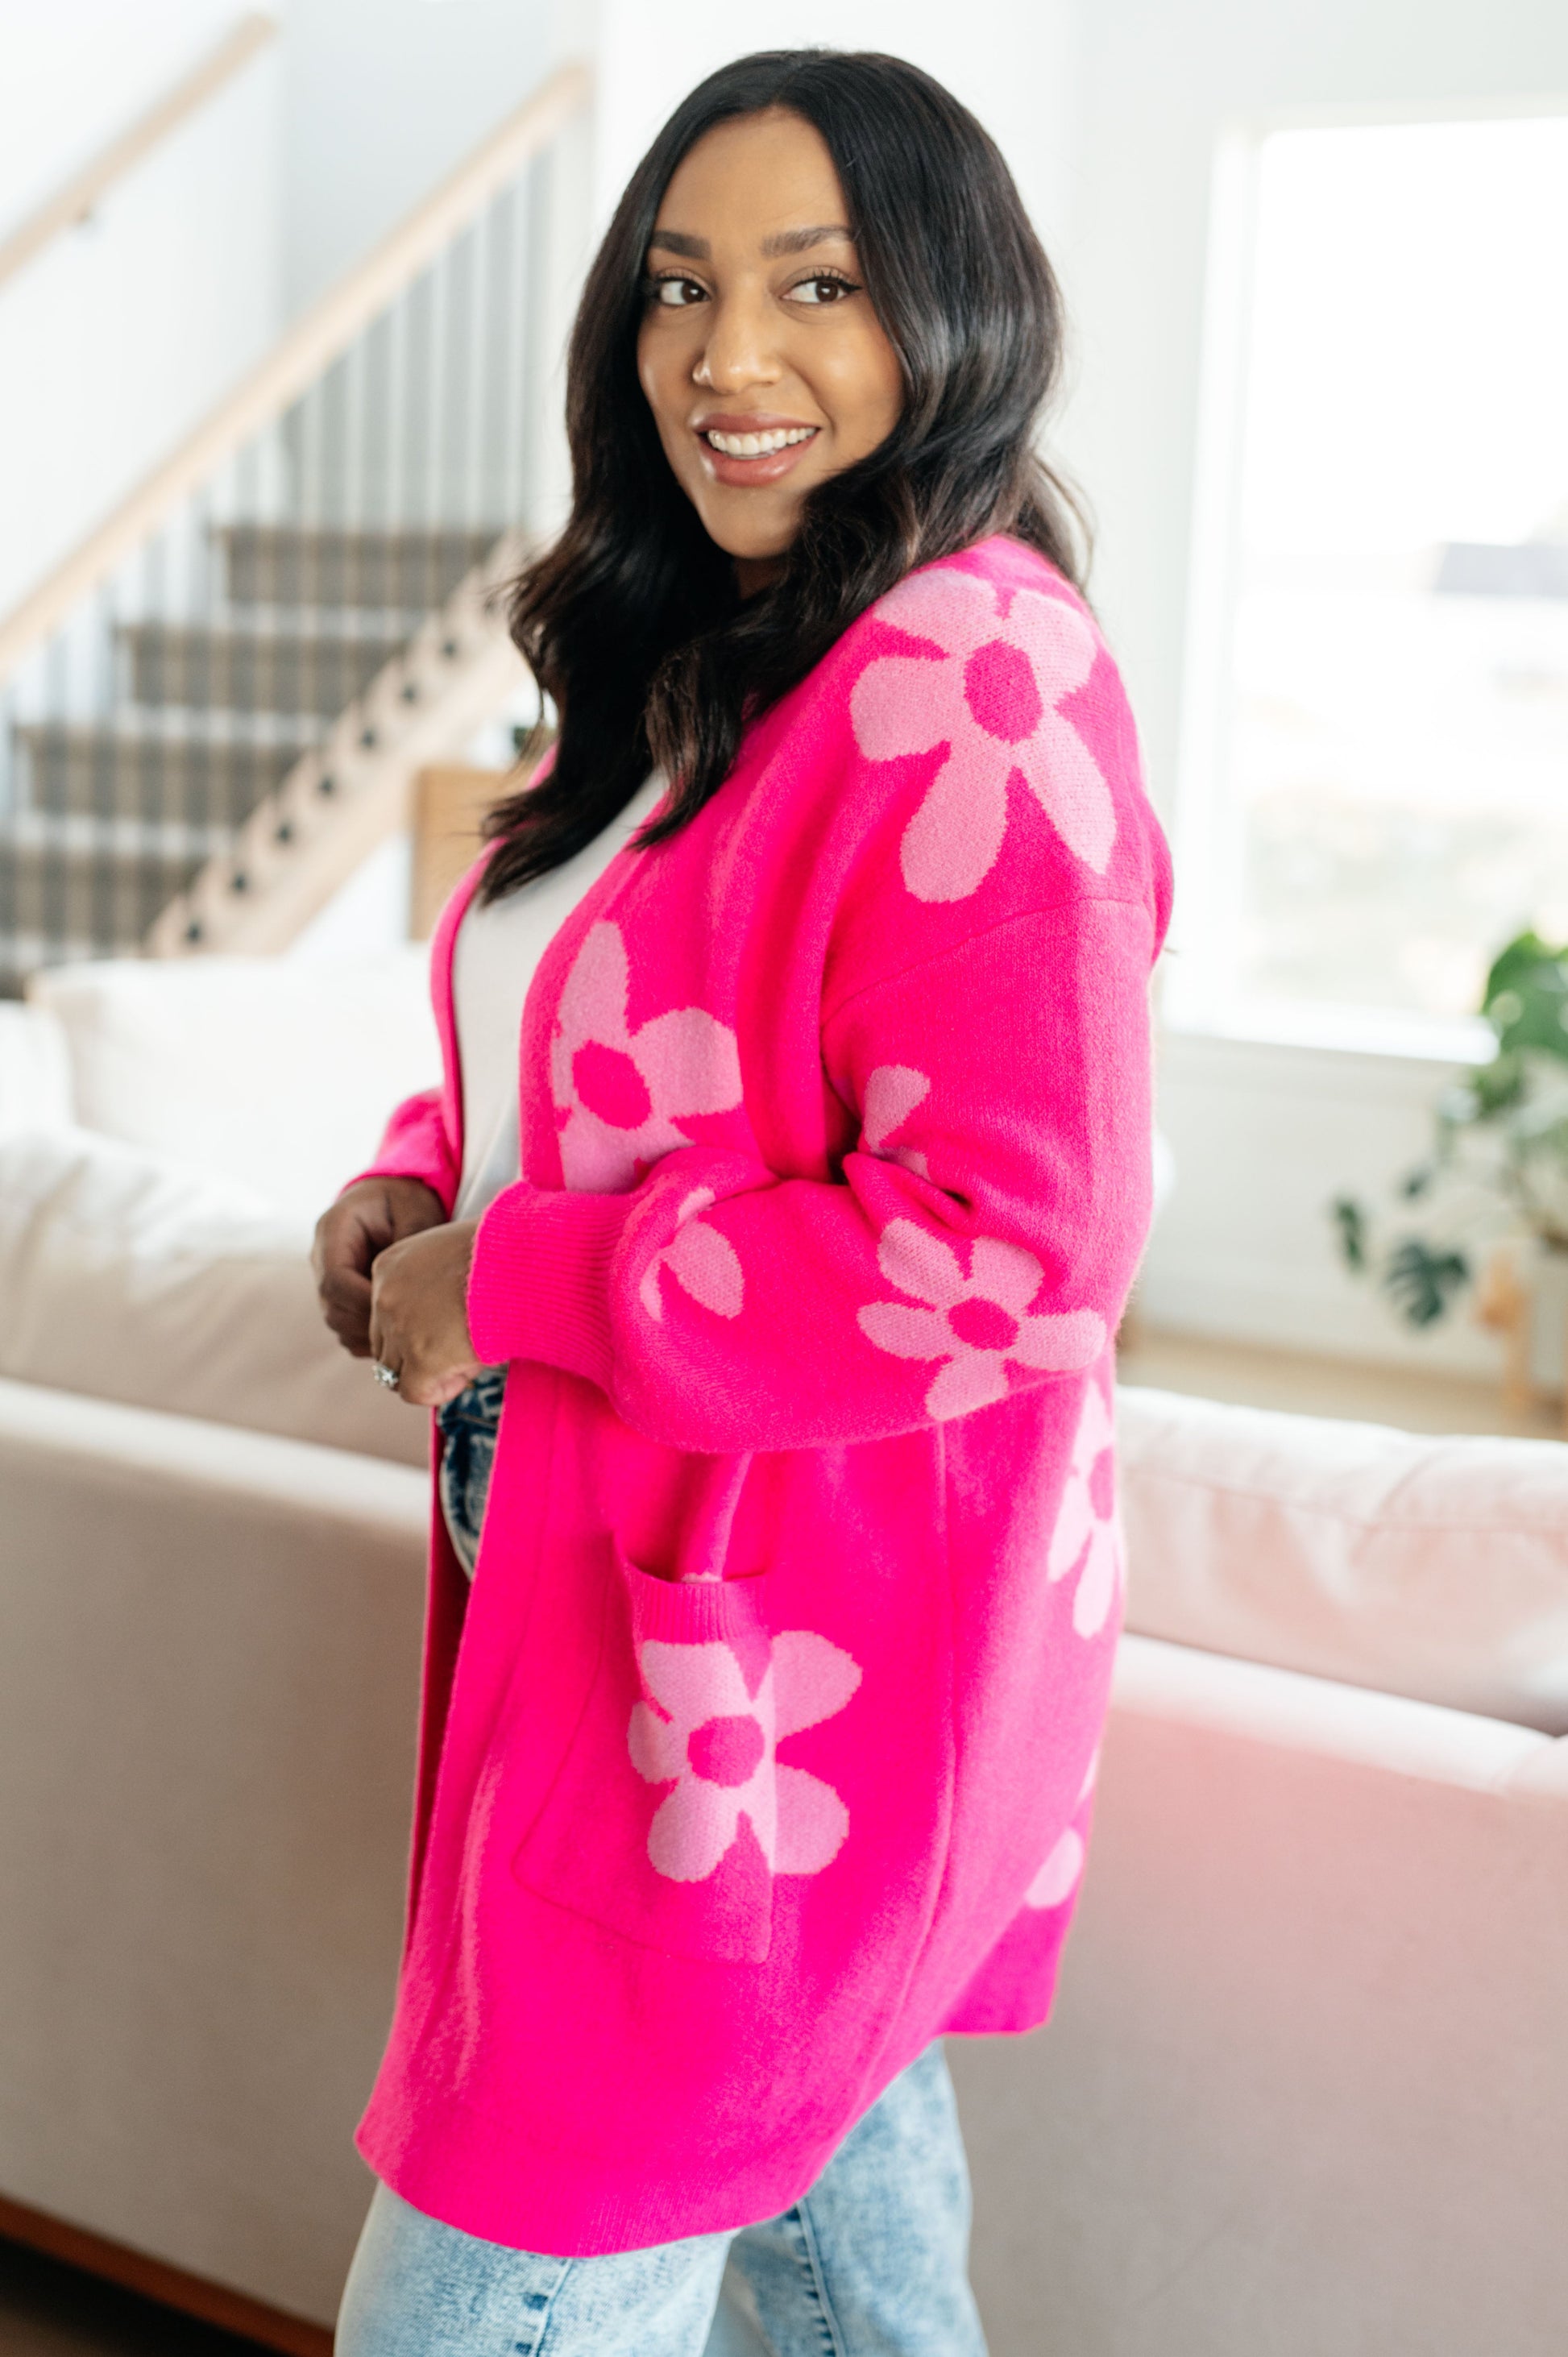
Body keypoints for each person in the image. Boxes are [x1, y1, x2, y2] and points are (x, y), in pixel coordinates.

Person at [315, 47, 1170, 2357]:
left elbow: (1019, 1249)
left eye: (818, 285)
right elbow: (606, 1033)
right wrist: (419, 1175)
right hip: (622, 1581)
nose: (727, 355)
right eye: (680, 288)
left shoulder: (972, 666)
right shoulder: (704, 646)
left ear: (953, 316)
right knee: (851, 2287)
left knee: (491, 2277)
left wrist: (512, 1273)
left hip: (783, 1650)